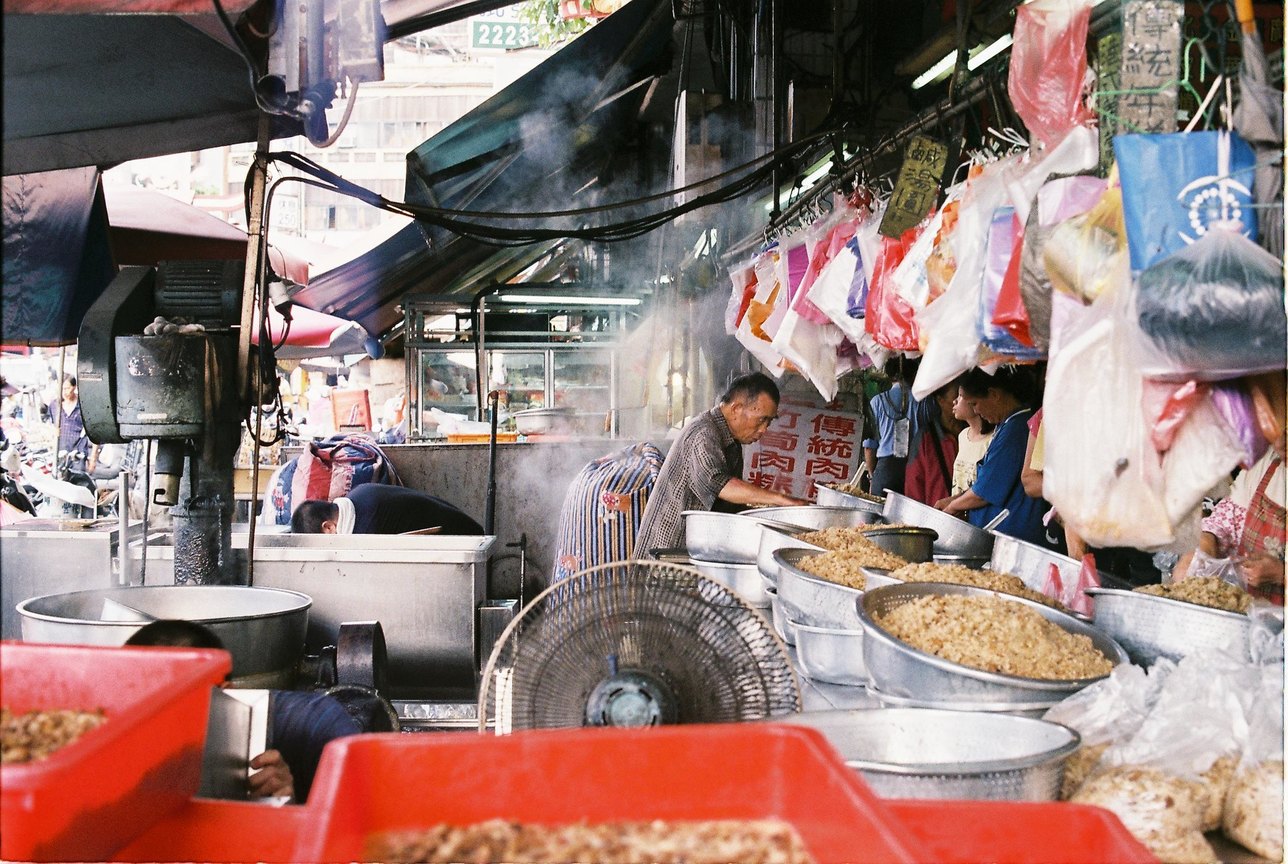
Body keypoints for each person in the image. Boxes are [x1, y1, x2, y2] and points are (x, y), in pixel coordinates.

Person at [125, 619, 364, 803]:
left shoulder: (314, 725)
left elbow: (369, 833)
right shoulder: (106, 734)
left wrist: (284, 807)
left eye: (172, 701)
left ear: (225, 695)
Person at [631, 372, 806, 555]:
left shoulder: (732, 443)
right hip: (666, 556)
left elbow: (729, 506)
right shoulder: (703, 434)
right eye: (762, 419)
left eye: (769, 422)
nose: (763, 430)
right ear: (736, 408)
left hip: (692, 552)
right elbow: (719, 485)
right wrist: (781, 499)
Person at [935, 366, 1049, 545]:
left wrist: (952, 508)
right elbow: (987, 482)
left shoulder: (1017, 429)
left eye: (974, 404)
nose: (977, 411)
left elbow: (984, 492)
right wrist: (954, 500)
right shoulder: (1008, 425)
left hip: (1013, 541)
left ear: (994, 395)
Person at [1180, 431, 1286, 604]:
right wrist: (1206, 543)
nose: (1281, 443)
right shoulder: (1267, 462)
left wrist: (1280, 574)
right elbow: (1227, 519)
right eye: (1281, 431)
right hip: (1249, 612)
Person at [291, 481, 484, 535]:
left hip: (467, 539)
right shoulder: (359, 492)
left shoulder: (365, 530)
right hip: (465, 523)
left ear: (328, 527)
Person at [861, 357, 925, 497]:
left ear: (889, 375)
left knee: (879, 516)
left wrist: (873, 476)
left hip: (886, 470)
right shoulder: (923, 402)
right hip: (915, 469)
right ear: (914, 373)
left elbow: (869, 447)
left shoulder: (877, 402)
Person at [904, 383, 962, 506]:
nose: (962, 400)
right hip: (937, 516)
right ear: (940, 400)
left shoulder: (976, 434)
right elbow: (913, 486)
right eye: (957, 395)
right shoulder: (925, 438)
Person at [948, 384, 995, 498]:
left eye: (960, 396)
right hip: (958, 509)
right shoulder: (963, 436)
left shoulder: (994, 438)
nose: (955, 401)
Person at [50, 375, 94, 473]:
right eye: (61, 389)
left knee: (78, 482)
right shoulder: (54, 405)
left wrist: (93, 459)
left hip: (79, 453)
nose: (64, 392)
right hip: (61, 452)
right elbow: (53, 426)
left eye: (67, 388)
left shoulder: (83, 405)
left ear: (74, 387)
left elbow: (95, 430)